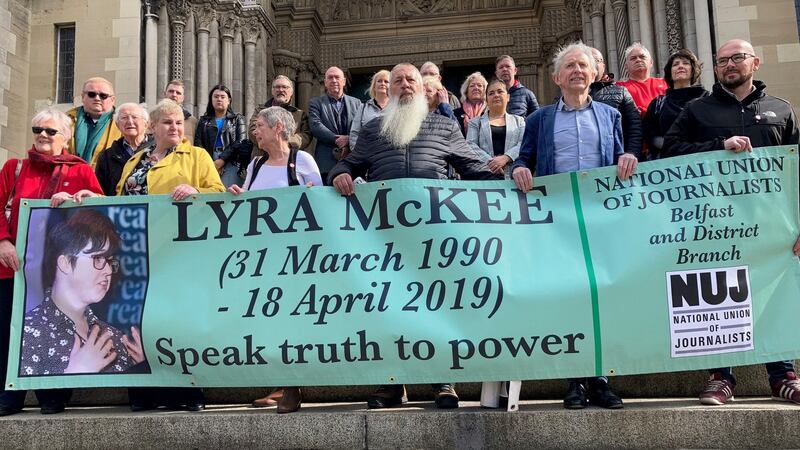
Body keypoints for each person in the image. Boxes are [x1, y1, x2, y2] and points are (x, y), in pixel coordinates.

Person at [330, 63, 495, 409]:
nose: (405, 85)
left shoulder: (445, 126)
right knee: (388, 308)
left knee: (436, 306)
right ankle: (391, 383)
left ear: (424, 88)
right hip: (384, 239)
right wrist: (340, 174)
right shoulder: (374, 129)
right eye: (398, 81)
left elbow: (474, 168)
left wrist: (509, 184)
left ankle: (442, 381)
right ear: (387, 90)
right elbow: (349, 163)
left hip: (433, 236)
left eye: (411, 80)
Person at [663, 40, 800, 406]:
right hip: (715, 225)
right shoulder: (696, 109)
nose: (729, 65)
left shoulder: (782, 110)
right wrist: (718, 146)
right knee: (716, 297)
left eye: (737, 58)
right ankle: (720, 377)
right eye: (722, 61)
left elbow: (797, 171)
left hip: (773, 225)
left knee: (775, 294)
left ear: (755, 61)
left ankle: (783, 374)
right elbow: (669, 151)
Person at [511, 43, 637, 410]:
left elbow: (620, 157)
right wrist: (520, 167)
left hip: (600, 221)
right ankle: (575, 381)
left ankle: (601, 380)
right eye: (569, 66)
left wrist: (628, 156)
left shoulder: (611, 116)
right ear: (556, 77)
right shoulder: (540, 119)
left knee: (601, 298)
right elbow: (525, 157)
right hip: (558, 222)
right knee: (569, 297)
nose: (577, 71)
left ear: (594, 73)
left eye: (583, 65)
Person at [117, 99, 224, 411]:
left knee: (179, 320)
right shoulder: (134, 161)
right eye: (167, 123)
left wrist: (196, 192)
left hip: (179, 254)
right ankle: (144, 392)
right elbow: (118, 200)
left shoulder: (197, 156)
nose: (175, 128)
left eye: (179, 123)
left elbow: (218, 194)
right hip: (137, 251)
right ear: (153, 127)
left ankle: (186, 392)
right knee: (141, 322)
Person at [0, 108, 104, 416]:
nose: (42, 135)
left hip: (58, 271)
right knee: (7, 331)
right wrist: (3, 240)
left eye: (50, 131)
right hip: (13, 267)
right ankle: (9, 396)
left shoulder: (81, 169)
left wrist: (88, 198)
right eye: (37, 129)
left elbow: (102, 209)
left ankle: (53, 394)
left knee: (57, 330)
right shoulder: (14, 168)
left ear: (67, 137)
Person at [230, 107, 323, 413]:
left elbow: (322, 207)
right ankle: (284, 382)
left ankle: (293, 386)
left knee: (294, 321)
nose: (254, 132)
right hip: (263, 260)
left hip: (297, 259)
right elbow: (247, 204)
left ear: (279, 128)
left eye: (258, 126)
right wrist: (236, 197)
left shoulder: (303, 161)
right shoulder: (255, 165)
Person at [20, 209, 144, 376]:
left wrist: (142, 368)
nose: (108, 270)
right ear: (64, 263)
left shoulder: (112, 336)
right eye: (97, 258)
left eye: (109, 261)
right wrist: (75, 372)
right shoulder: (27, 331)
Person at [642, 49, 709, 159]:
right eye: (675, 64)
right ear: (670, 73)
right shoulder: (658, 103)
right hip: (668, 163)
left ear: (693, 70)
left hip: (701, 159)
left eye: (686, 63)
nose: (680, 66)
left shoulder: (707, 99)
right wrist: (674, 148)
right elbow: (650, 135)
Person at [308, 66, 363, 182]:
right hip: (326, 163)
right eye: (330, 78)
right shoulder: (315, 103)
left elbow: (362, 127)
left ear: (344, 81)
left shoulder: (357, 103)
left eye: (337, 77)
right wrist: (337, 140)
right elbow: (315, 125)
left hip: (352, 160)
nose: (334, 80)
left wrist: (349, 139)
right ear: (325, 83)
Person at [588, 48, 643, 158]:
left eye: (596, 60)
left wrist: (631, 154)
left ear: (603, 66)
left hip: (616, 162)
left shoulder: (620, 91)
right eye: (588, 60)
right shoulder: (565, 98)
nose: (592, 64)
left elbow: (635, 126)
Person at [466, 78, 525, 179]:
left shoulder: (519, 121)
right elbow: (470, 145)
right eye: (491, 93)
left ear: (508, 97)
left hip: (513, 177)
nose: (496, 95)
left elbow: (523, 144)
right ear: (486, 100)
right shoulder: (475, 122)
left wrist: (506, 157)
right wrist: (492, 162)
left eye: (500, 91)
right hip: (484, 176)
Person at [194, 85, 248, 188]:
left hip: (231, 161)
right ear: (211, 100)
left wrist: (222, 160)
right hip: (208, 161)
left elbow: (240, 141)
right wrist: (210, 163)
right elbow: (198, 143)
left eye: (223, 97)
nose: (219, 99)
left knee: (229, 194)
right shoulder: (203, 120)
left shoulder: (237, 119)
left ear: (229, 101)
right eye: (216, 96)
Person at [249, 75, 312, 158]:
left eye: (285, 87)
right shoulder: (260, 110)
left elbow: (305, 136)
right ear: (272, 91)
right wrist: (272, 143)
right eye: (277, 87)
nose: (281, 90)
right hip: (262, 158)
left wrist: (283, 142)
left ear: (291, 92)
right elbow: (253, 131)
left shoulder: (300, 114)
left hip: (289, 159)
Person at [95, 103, 149, 196]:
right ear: (117, 125)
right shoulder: (106, 157)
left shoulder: (159, 149)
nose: (130, 122)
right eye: (124, 118)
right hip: (119, 208)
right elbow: (100, 192)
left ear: (146, 123)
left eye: (135, 117)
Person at [66, 77, 122, 167]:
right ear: (83, 97)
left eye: (103, 95)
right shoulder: (65, 120)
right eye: (91, 94)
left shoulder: (122, 122)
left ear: (112, 100)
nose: (97, 98)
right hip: (70, 176)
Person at [616, 43, 668, 117]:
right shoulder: (619, 87)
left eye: (642, 57)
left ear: (651, 62)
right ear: (626, 67)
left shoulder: (666, 83)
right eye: (633, 58)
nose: (638, 60)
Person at [349, 70, 390, 149]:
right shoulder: (363, 108)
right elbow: (354, 133)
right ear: (374, 86)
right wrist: (358, 152)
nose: (382, 83)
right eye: (379, 81)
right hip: (367, 155)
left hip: (390, 156)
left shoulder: (397, 107)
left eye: (386, 81)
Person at [453, 72, 488, 137]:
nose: (476, 88)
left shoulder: (490, 112)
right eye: (472, 86)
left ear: (485, 91)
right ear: (466, 91)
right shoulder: (455, 114)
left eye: (479, 85)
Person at [163, 80, 198, 145]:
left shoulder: (192, 122)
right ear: (164, 94)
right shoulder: (153, 118)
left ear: (182, 98)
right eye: (171, 91)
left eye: (178, 93)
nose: (174, 95)